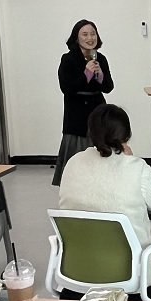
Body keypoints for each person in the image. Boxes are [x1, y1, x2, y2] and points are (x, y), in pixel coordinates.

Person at [59, 103, 151, 301]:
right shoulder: (136, 167)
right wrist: (130, 159)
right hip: (132, 277)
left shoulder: (73, 163)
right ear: (127, 135)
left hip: (77, 271)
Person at [52, 19, 114, 186]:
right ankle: (74, 186)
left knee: (100, 147)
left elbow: (108, 87)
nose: (90, 38)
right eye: (85, 34)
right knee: (77, 153)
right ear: (76, 37)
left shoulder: (101, 58)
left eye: (93, 34)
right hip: (77, 112)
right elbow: (66, 88)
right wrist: (86, 74)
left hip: (97, 109)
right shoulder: (68, 59)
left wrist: (100, 76)